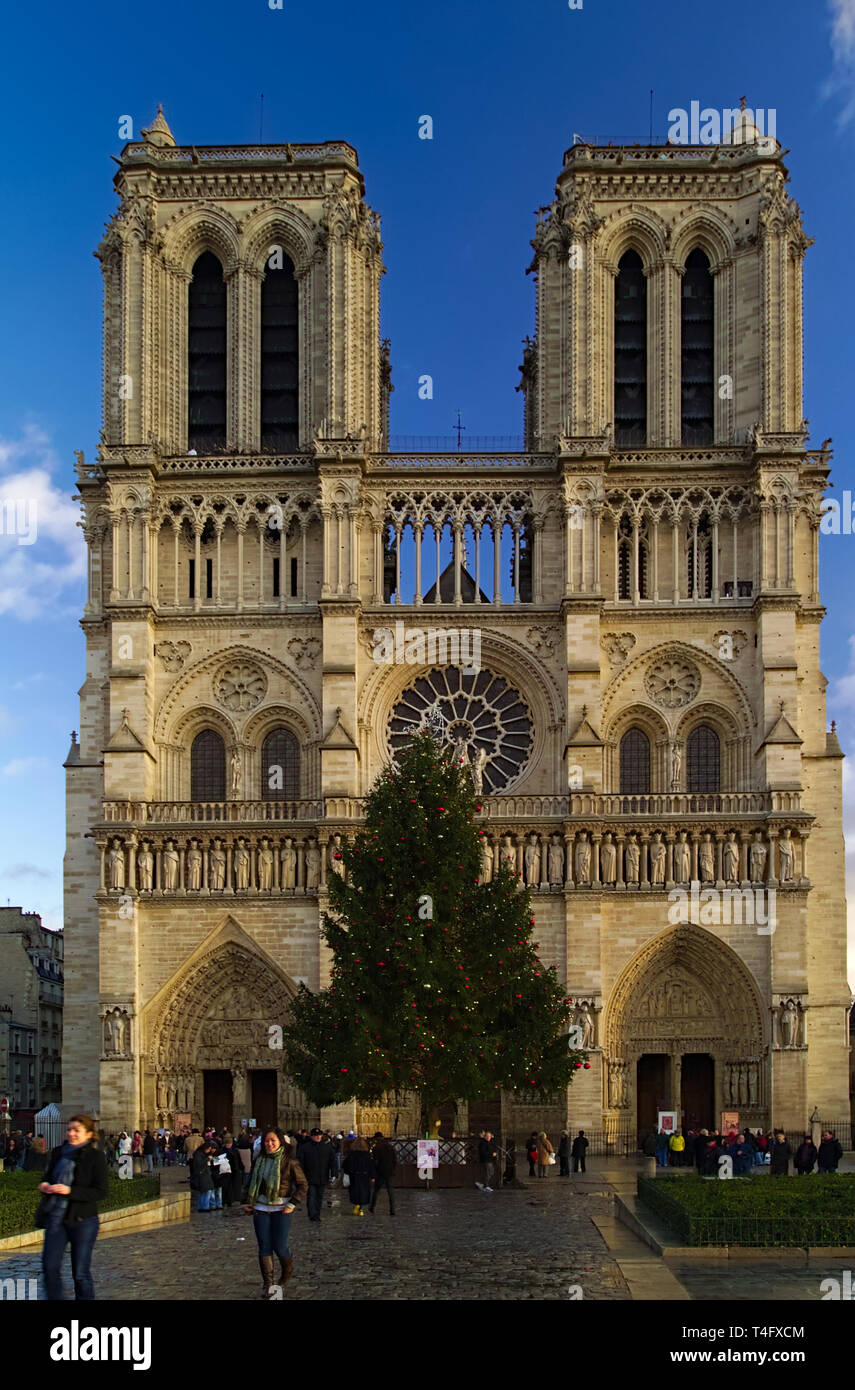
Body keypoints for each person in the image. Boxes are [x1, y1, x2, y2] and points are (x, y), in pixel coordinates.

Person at [39, 1114, 109, 1301]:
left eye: (76, 1130)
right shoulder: (58, 1153)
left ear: (88, 1134)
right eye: (69, 1129)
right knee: (49, 1266)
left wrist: (70, 1191)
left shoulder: (95, 1157)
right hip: (56, 1217)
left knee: (80, 1273)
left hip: (83, 1220)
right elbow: (47, 1177)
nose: (71, 1133)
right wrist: (45, 1185)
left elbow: (100, 1191)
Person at [243, 1128, 308, 1298]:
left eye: (273, 1140)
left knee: (280, 1247)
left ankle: (285, 1277)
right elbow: (250, 1182)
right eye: (266, 1141)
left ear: (280, 1142)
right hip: (261, 1208)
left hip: (281, 1209)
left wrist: (292, 1203)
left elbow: (303, 1185)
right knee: (264, 1247)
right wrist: (248, 1201)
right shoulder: (259, 1160)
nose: (269, 1144)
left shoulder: (290, 1162)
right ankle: (269, 1285)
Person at [300, 1127, 333, 1223]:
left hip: (322, 1177)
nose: (318, 1137)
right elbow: (301, 1162)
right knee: (311, 1196)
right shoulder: (305, 1148)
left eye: (319, 1135)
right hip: (309, 1177)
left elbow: (332, 1161)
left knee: (319, 1197)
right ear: (312, 1136)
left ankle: (317, 1214)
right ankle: (312, 1214)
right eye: (316, 1135)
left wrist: (334, 1173)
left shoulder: (326, 1147)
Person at [342, 1137, 375, 1216]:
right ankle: (361, 1208)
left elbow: (346, 1165)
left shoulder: (351, 1155)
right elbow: (371, 1166)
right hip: (364, 1175)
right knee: (363, 1192)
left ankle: (357, 1205)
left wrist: (347, 1173)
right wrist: (373, 1176)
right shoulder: (367, 1155)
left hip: (354, 1175)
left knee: (355, 1191)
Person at [369, 1132, 397, 1214]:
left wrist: (375, 1171)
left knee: (376, 1190)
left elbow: (375, 1161)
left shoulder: (376, 1148)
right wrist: (393, 1169)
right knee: (390, 1191)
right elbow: (395, 1159)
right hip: (389, 1171)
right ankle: (392, 1209)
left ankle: (372, 1207)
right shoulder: (390, 1147)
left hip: (380, 1172)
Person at [190, 1137, 218, 1211]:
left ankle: (203, 1206)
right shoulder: (198, 1154)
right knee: (205, 1191)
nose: (209, 1151)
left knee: (205, 1191)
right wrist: (207, 1159)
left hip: (206, 1175)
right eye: (208, 1149)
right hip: (202, 1175)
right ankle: (204, 1207)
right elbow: (199, 1164)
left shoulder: (203, 1154)